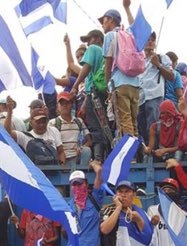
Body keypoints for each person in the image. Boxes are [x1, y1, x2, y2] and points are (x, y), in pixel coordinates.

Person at [70, 29, 110, 162]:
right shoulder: (106, 54)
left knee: (95, 127)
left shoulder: (94, 49)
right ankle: (105, 156)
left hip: (94, 94)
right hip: (102, 94)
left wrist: (75, 85)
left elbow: (86, 69)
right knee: (104, 126)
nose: (88, 44)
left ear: (98, 39)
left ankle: (98, 158)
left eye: (90, 39)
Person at [99, 8, 140, 137]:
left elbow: (108, 63)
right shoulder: (129, 34)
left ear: (111, 20)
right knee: (134, 122)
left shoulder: (110, 36)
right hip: (135, 83)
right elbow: (136, 28)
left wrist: (107, 85)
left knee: (124, 122)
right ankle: (137, 153)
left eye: (104, 20)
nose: (102, 24)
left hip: (119, 84)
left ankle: (130, 155)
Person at [0, 98, 66, 166]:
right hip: (36, 175)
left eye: (43, 121)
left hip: (55, 173)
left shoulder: (54, 131)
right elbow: (7, 132)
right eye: (38, 121)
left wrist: (62, 167)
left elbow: (61, 151)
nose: (41, 124)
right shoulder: (25, 137)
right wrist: (10, 111)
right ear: (31, 122)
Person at [137, 31, 174, 145]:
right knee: (141, 127)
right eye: (147, 39)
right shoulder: (138, 59)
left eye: (152, 40)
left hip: (154, 96)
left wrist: (158, 64)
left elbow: (171, 76)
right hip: (140, 98)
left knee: (153, 125)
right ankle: (147, 152)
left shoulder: (162, 57)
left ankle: (154, 152)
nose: (150, 42)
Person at [48, 91, 92, 169]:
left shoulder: (79, 121)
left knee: (87, 150)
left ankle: (81, 173)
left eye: (67, 103)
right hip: (60, 159)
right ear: (57, 106)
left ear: (71, 105)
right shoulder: (52, 123)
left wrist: (82, 147)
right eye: (62, 103)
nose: (65, 106)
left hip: (77, 157)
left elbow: (89, 141)